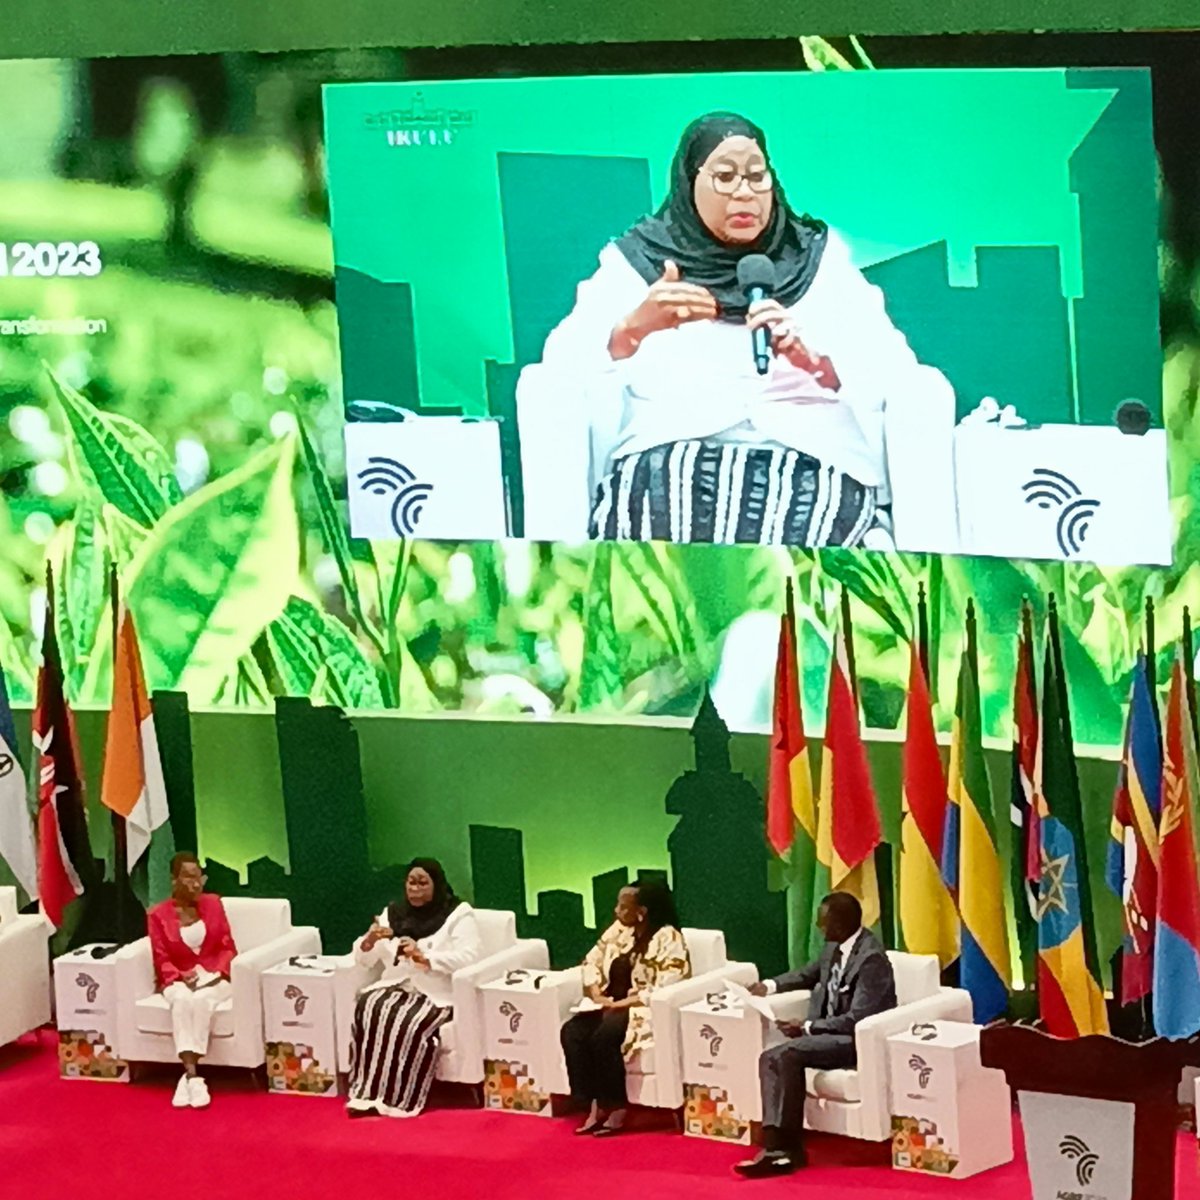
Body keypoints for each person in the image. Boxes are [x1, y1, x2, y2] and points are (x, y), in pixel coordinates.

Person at [538, 111, 955, 550]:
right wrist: (633, 329)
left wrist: (814, 363)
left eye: (757, 177)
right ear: (688, 182)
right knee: (664, 505)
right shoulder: (638, 261)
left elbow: (893, 370)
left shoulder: (817, 259)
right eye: (725, 176)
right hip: (671, 452)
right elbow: (561, 369)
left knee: (803, 528)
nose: (744, 193)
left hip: (808, 456)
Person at [734, 891, 897, 1177]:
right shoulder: (833, 947)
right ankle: (778, 1146)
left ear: (843, 922)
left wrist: (808, 1027)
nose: (820, 927)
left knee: (786, 1054)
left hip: (854, 1040)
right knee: (770, 1057)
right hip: (826, 1035)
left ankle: (785, 1149)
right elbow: (807, 975)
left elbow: (857, 1019)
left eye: (825, 922)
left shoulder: (871, 959)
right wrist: (769, 986)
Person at [346, 859, 482, 1117]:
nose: (415, 889)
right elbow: (364, 960)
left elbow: (470, 956)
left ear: (437, 884)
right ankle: (366, 1094)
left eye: (423, 883)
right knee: (370, 1007)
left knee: (406, 1020)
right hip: (396, 985)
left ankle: (399, 1098)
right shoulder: (393, 913)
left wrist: (426, 958)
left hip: (435, 992)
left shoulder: (457, 914)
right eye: (411, 882)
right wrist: (371, 939)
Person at [560, 880, 691, 1136]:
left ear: (642, 911)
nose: (617, 912)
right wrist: (596, 992)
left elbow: (667, 984)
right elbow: (591, 960)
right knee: (572, 1031)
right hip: (608, 1002)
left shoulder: (669, 938)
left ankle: (616, 1106)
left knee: (604, 1036)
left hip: (640, 1007)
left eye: (623, 907)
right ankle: (592, 1103)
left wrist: (620, 1004)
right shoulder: (619, 931)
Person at [147, 852, 237, 1109]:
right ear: (173, 880)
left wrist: (217, 972)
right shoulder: (157, 915)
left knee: (203, 999)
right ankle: (194, 1078)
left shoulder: (214, 904)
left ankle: (189, 1077)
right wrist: (179, 976)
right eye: (188, 878)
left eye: (199, 878)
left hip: (215, 978)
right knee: (182, 1000)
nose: (196, 884)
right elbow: (161, 958)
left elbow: (228, 947)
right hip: (179, 979)